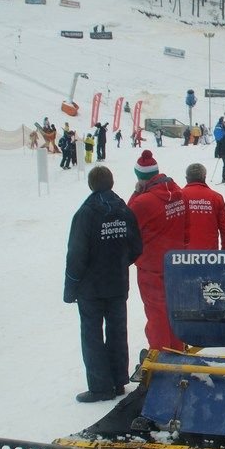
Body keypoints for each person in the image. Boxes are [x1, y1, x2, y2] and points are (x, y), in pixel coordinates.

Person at [63, 165, 143, 402]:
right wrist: (120, 263)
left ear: (91, 185)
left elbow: (76, 254)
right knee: (118, 331)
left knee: (92, 335)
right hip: (117, 283)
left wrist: (71, 287)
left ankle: (100, 387)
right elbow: (137, 246)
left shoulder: (86, 213)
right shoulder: (124, 209)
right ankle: (118, 381)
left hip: (92, 287)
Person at [128, 150, 186, 353]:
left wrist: (137, 192)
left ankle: (160, 357)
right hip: (177, 262)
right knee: (174, 309)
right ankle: (177, 350)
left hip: (152, 266)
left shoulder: (143, 202)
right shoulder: (177, 191)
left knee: (156, 313)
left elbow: (129, 221)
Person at [182, 163, 225, 250]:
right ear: (204, 177)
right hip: (209, 254)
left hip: (183, 255)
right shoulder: (216, 197)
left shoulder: (179, 197)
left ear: (187, 178)